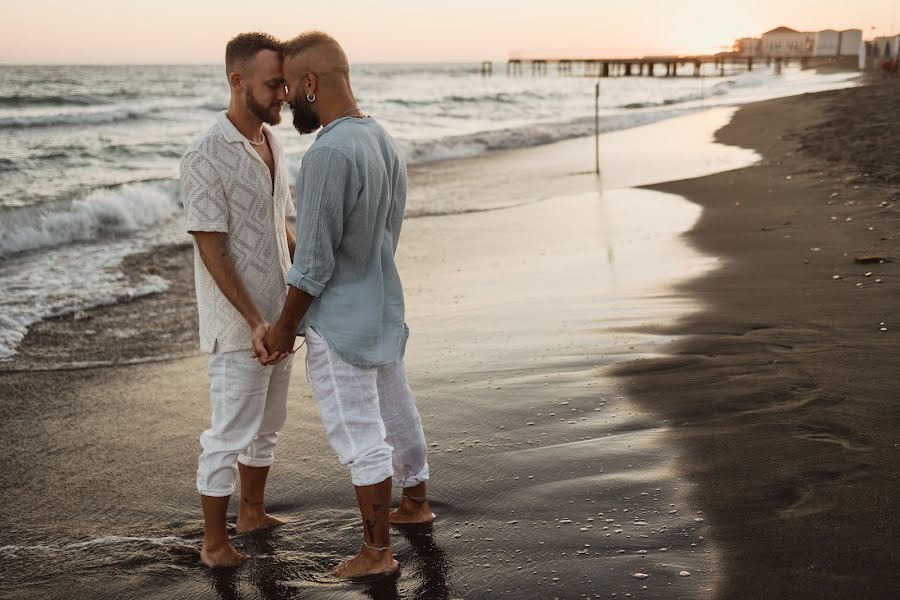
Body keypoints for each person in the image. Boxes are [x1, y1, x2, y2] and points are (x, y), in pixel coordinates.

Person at [261, 31, 434, 579]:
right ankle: (416, 502)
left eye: (290, 87)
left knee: (358, 431)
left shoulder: (328, 154)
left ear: (310, 82)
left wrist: (286, 327)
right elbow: (382, 232)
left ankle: (377, 553)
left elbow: (312, 263)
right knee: (396, 408)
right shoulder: (381, 139)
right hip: (382, 305)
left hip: (340, 322)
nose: (286, 99)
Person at [180, 31, 295, 568]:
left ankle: (251, 513)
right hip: (238, 325)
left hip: (283, 314)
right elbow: (212, 249)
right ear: (237, 81)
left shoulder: (275, 144)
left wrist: (307, 290)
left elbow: (280, 229)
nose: (283, 95)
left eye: (285, 84)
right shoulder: (205, 154)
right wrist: (253, 320)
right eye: (274, 84)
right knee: (228, 432)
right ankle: (213, 543)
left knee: (267, 426)